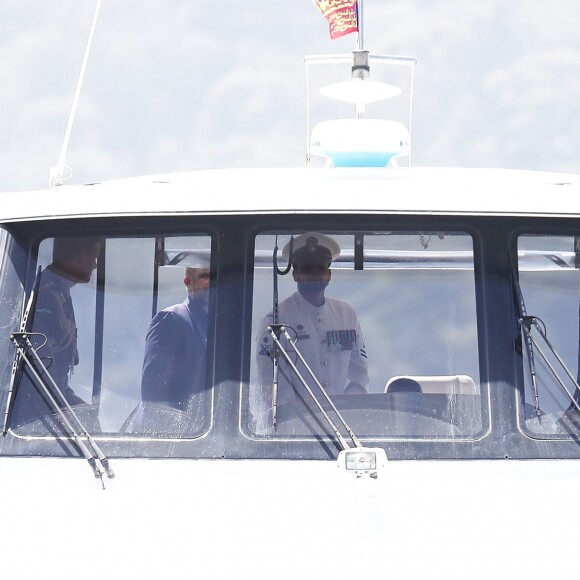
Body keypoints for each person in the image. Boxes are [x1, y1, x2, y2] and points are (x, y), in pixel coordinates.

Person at [256, 232, 369, 417]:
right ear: (296, 274)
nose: (316, 273)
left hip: (343, 421)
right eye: (308, 268)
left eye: (321, 267)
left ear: (329, 274)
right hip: (294, 427)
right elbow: (272, 385)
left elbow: (360, 376)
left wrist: (350, 410)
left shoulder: (346, 314)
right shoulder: (275, 320)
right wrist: (298, 421)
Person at [10, 236, 103, 427]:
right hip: (35, 405)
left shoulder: (59, 290)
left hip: (52, 395)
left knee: (90, 420)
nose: (94, 265)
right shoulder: (45, 294)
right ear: (80, 257)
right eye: (93, 257)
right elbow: (38, 369)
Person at [123, 259, 211, 433]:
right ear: (187, 282)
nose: (212, 282)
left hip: (199, 433)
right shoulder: (171, 319)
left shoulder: (218, 325)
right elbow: (154, 391)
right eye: (205, 276)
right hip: (167, 435)